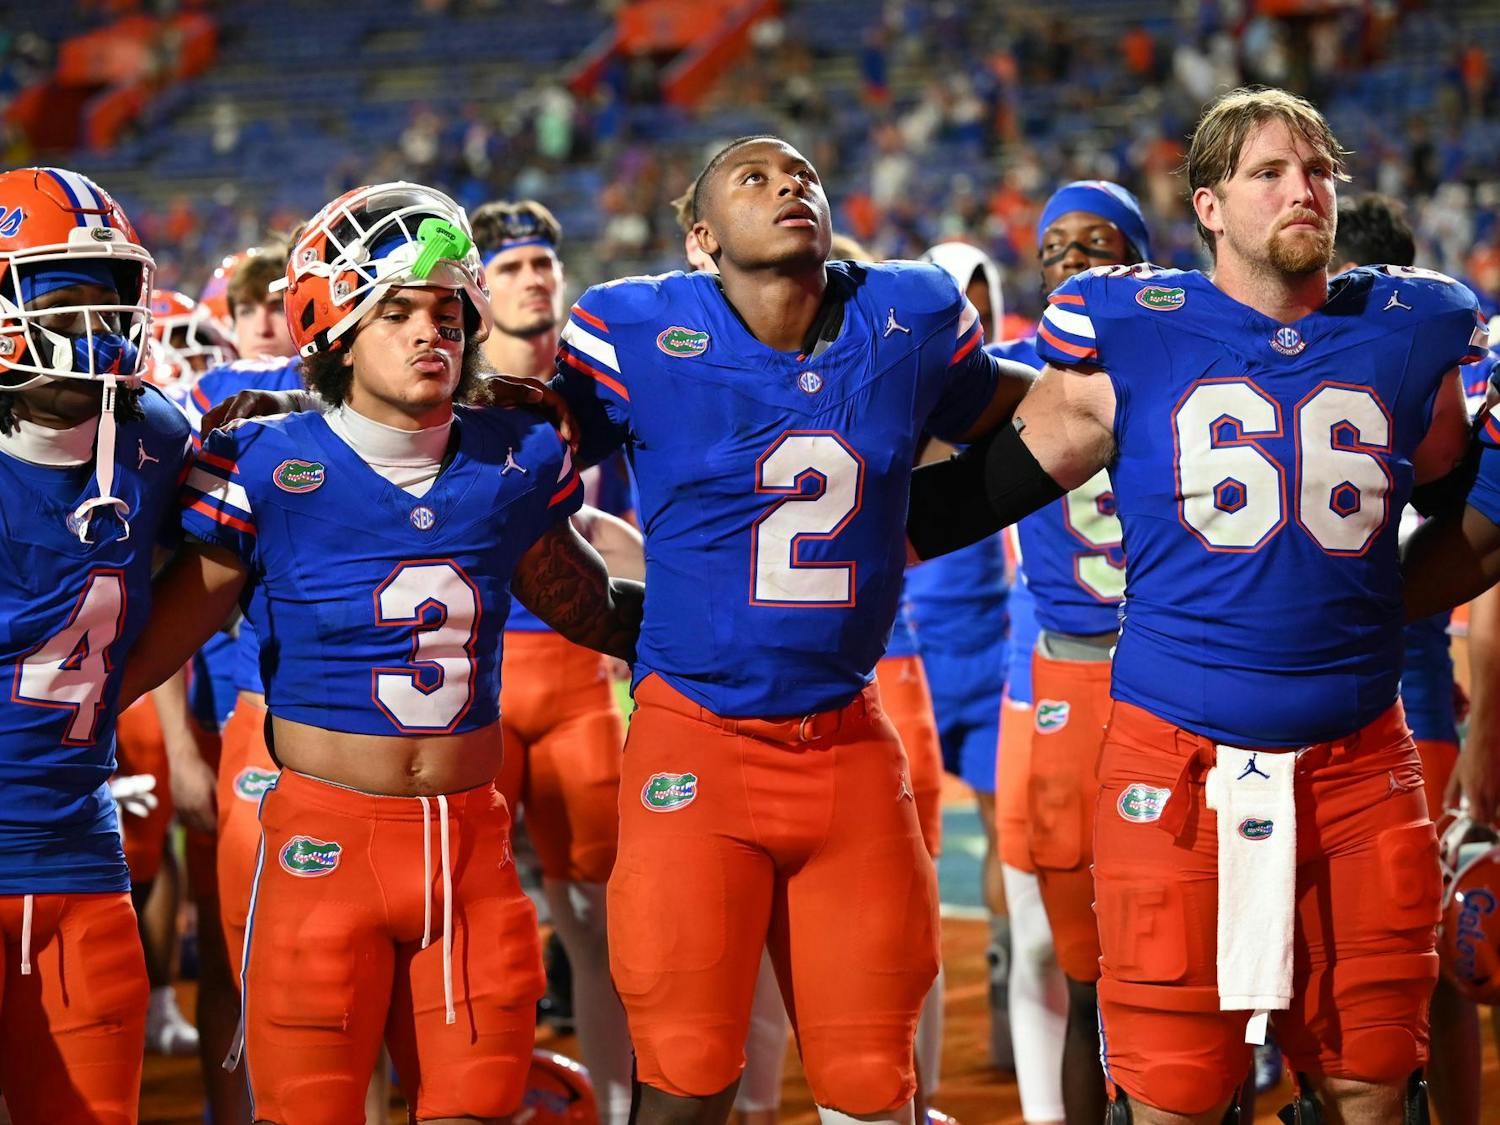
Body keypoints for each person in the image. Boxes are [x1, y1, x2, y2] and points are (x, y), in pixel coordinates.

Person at [906, 87, 1482, 1122]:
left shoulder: (1413, 326)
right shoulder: (1131, 328)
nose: (1304, 190)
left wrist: (1369, 607)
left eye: (1319, 172)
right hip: (1176, 761)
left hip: (1359, 761)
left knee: (1373, 1079)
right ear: (1210, 205)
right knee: (1174, 1088)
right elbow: (993, 484)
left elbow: (1470, 507)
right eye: (1270, 172)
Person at [120, 180, 643, 1123]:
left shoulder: (514, 452)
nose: (429, 332)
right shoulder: (263, 461)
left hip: (474, 853)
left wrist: (735, 620)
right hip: (325, 846)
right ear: (334, 327)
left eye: (448, 312)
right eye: (396, 310)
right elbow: (141, 649)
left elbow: (591, 606)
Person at [553, 135, 1032, 1125]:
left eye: (803, 175)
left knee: (871, 1080)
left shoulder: (905, 315)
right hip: (696, 736)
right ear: (698, 239)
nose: (787, 187)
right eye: (753, 179)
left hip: (845, 735)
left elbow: (1021, 422)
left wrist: (914, 524)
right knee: (688, 1074)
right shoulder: (633, 330)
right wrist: (611, 620)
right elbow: (518, 482)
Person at [0, 165, 193, 1123]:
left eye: (113, 299)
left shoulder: (152, 432)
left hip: (82, 863)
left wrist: (120, 682)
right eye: (68, 301)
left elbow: (224, 569)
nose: (100, 332)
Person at [988, 180, 1158, 1124]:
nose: (1075, 260)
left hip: (1181, 674)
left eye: (1098, 245)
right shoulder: (1011, 374)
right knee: (1085, 969)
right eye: (1056, 249)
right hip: (1072, 671)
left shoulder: (1193, 357)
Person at [471, 197, 639, 1125]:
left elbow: (643, 513)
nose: (534, 279)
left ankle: (617, 1105)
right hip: (477, 672)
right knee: (470, 909)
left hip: (580, 667)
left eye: (543, 262)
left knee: (601, 920)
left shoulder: (593, 387)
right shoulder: (443, 385)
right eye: (510, 267)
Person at [1330, 192, 1481, 1125]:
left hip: (1369, 717)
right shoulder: (1441, 370)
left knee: (1353, 974)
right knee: (1434, 976)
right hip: (1426, 705)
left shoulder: (1352, 375)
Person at [911, 239, 1012, 1075]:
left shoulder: (1008, 393)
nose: (969, 310)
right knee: (900, 858)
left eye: (980, 294)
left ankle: (1014, 1014)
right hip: (904, 660)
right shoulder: (897, 392)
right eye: (956, 298)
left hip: (987, 652)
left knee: (1006, 840)